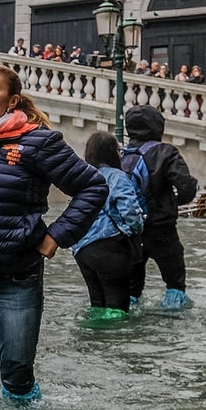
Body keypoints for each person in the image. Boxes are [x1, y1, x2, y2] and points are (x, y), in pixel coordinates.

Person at [0, 64, 107, 401]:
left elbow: (93, 186)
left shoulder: (38, 142)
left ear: (12, 101)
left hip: (17, 273)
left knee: (16, 372)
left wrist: (56, 236)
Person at [122, 104, 198, 309]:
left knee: (131, 286)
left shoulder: (122, 154)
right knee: (174, 279)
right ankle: (174, 314)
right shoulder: (166, 152)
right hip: (161, 227)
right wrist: (173, 203)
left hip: (130, 229)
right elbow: (186, 187)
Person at [71, 132, 144, 321]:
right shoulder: (117, 177)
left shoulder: (81, 177)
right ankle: (113, 340)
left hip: (82, 249)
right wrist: (136, 229)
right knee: (117, 305)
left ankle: (93, 337)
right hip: (110, 247)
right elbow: (130, 210)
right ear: (111, 152)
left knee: (97, 303)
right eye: (118, 150)